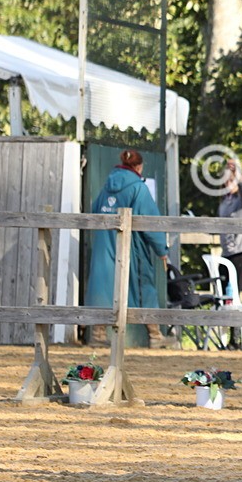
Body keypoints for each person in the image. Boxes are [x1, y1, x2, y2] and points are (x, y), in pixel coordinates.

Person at [86, 149, 177, 348]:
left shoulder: (107, 186)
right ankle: (155, 335)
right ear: (139, 167)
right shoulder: (138, 188)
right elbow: (150, 222)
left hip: (104, 245)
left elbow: (94, 210)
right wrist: (162, 250)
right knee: (144, 286)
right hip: (131, 247)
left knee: (103, 286)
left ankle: (97, 335)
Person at [218, 157, 242, 349]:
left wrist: (238, 174)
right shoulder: (224, 202)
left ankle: (236, 339)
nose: (227, 183)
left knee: (234, 295)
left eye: (230, 180)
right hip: (227, 254)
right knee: (227, 296)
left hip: (241, 252)